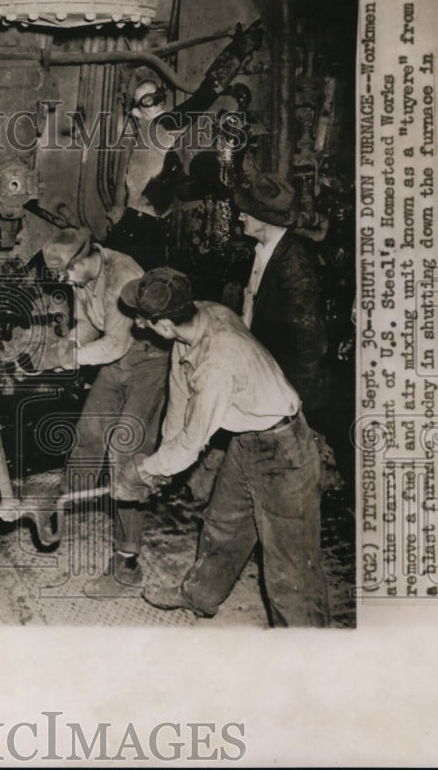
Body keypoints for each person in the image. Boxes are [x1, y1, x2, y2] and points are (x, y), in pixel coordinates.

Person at [117, 266, 330, 627]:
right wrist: (163, 462)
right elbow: (180, 397)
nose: (139, 326)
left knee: (290, 569)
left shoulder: (217, 363)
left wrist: (142, 470)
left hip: (284, 452)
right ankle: (199, 595)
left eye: (145, 321)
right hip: (248, 442)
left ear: (166, 325)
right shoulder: (201, 315)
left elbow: (191, 445)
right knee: (222, 526)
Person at [38, 228, 171, 598]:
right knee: (88, 434)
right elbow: (87, 325)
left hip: (148, 362)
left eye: (66, 275)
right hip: (115, 363)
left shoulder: (121, 276)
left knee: (125, 451)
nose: (64, 282)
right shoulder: (81, 276)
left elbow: (114, 343)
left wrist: (67, 359)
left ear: (82, 260)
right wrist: (62, 346)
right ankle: (67, 506)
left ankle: (127, 561)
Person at [105, 21, 264, 271]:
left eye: (158, 95)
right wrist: (237, 52)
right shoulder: (160, 127)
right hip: (141, 231)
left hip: (140, 225)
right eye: (148, 100)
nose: (157, 102)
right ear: (136, 111)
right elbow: (203, 96)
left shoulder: (146, 136)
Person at [234, 172, 329, 415]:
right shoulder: (262, 250)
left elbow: (309, 342)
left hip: (282, 384)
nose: (239, 215)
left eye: (246, 211)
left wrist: (298, 401)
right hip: (260, 368)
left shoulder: (294, 267)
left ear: (263, 220)